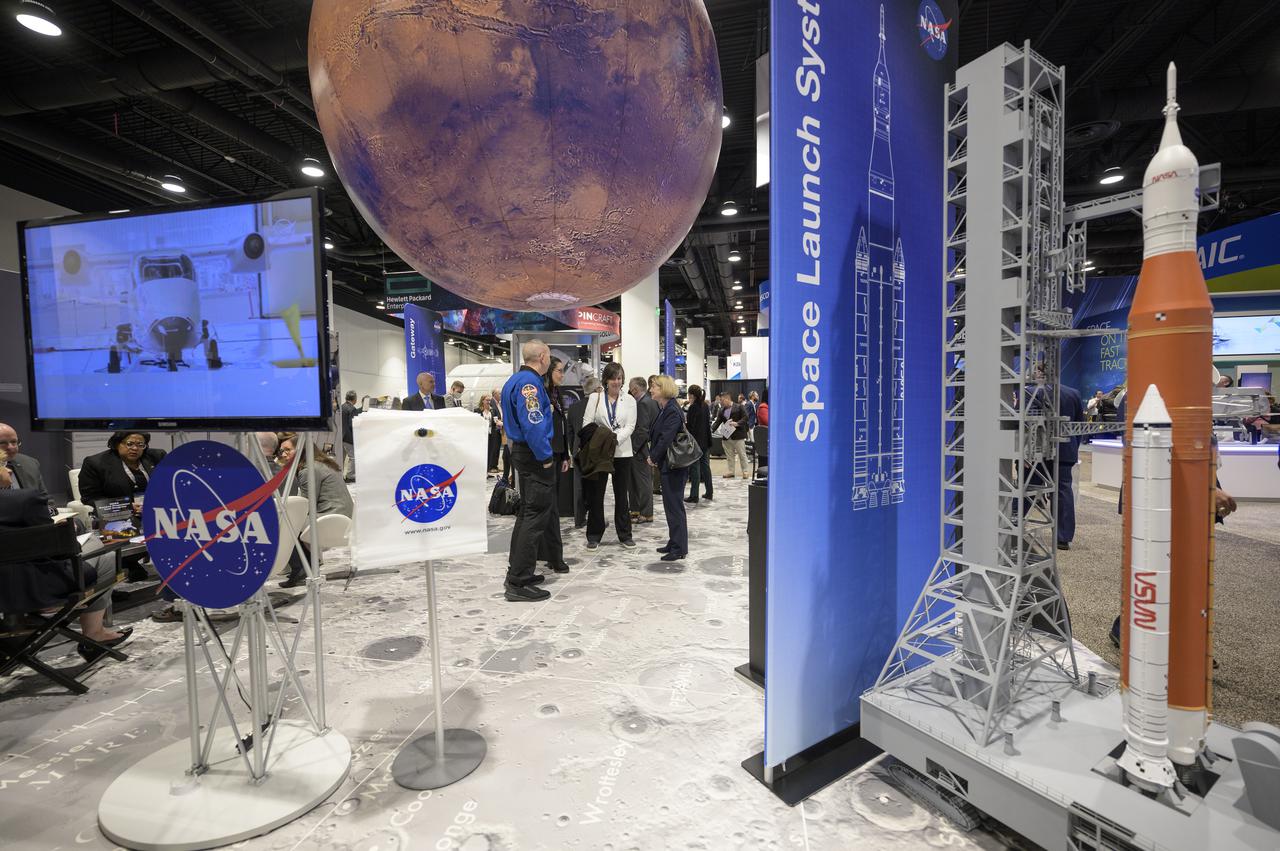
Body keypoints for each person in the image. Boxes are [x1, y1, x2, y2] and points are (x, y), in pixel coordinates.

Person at [0, 481, 132, 661]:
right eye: (4, 465)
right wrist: (68, 531)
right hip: (38, 588)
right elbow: (57, 549)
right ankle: (93, 634)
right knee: (103, 553)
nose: (8, 470)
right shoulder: (25, 499)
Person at [501, 340, 564, 602]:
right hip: (534, 455)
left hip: (522, 453)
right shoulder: (530, 385)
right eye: (549, 356)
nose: (550, 361)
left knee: (527, 514)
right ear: (541, 356)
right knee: (535, 516)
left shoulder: (513, 381)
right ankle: (519, 581)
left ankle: (517, 571)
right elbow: (534, 424)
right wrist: (546, 457)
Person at [276, 434, 353, 588]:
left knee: (287, 522)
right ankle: (308, 564)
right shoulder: (320, 463)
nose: (283, 454)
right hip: (341, 513)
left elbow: (304, 505)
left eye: (287, 450)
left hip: (332, 515)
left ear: (301, 450)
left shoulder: (308, 470)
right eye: (281, 451)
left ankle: (301, 568)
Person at [582, 362, 637, 550]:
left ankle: (625, 534)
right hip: (600, 453)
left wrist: (613, 440)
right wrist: (603, 439)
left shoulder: (630, 400)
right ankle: (594, 534)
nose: (617, 381)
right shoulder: (595, 398)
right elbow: (587, 424)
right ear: (606, 380)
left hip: (622, 452)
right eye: (613, 378)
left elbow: (630, 426)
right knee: (596, 494)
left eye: (620, 378)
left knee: (622, 495)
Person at [536, 357, 573, 574]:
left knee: (552, 507)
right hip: (546, 457)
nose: (562, 374)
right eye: (559, 371)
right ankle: (551, 554)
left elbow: (562, 426)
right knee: (547, 508)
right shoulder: (542, 392)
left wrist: (565, 455)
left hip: (557, 455)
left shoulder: (557, 393)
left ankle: (549, 553)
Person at [648, 375, 690, 562]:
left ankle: (679, 547)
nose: (651, 390)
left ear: (663, 389)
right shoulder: (666, 408)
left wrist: (653, 456)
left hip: (674, 465)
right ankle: (674, 542)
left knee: (674, 506)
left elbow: (665, 438)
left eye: (654, 387)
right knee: (670, 505)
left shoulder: (671, 409)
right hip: (669, 465)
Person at [78, 432, 166, 507]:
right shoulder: (95, 463)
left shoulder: (158, 457)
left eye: (140, 445)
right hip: (119, 515)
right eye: (129, 444)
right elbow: (90, 498)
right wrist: (126, 506)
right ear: (117, 444)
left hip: (157, 510)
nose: (135, 448)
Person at [567, 376, 600, 529]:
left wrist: (573, 450)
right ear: (597, 390)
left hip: (578, 452)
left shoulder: (573, 408)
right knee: (595, 487)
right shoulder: (599, 406)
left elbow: (570, 432)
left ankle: (579, 520)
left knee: (578, 487)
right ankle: (595, 519)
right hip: (595, 453)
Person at [628, 376, 659, 524]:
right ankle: (636, 511)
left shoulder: (643, 404)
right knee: (638, 481)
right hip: (645, 448)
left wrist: (633, 449)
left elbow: (642, 430)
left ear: (635, 389)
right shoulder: (650, 401)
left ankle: (646, 513)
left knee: (643, 482)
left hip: (640, 450)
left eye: (630, 387)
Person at [1057, 384, 1084, 551]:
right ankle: (1063, 537)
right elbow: (1079, 426)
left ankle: (1013, 528)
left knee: (1027, 491)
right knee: (1063, 491)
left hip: (1036, 453)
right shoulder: (1073, 393)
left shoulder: (1030, 392)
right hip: (1066, 450)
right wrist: (1074, 446)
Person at [0, 422, 47, 502]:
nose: (11, 447)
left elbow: (47, 501)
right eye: (2, 443)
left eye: (14, 442)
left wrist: (48, 511)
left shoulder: (30, 463)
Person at [683, 385, 714, 504]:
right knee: (706, 467)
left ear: (691, 395)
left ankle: (694, 495)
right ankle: (709, 492)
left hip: (695, 442)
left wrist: (684, 425)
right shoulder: (705, 406)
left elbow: (691, 426)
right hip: (705, 441)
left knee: (695, 468)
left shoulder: (693, 408)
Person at [715, 394, 750, 479]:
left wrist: (737, 423)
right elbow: (717, 422)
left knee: (742, 454)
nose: (721, 402)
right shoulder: (721, 410)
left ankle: (745, 472)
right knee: (729, 455)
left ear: (727, 399)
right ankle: (731, 471)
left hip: (738, 436)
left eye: (722, 400)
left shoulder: (739, 407)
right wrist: (710, 430)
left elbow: (746, 417)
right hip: (727, 436)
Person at [340, 390, 361, 481]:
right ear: (355, 399)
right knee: (353, 457)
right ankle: (350, 476)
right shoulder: (352, 409)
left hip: (340, 436)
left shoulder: (341, 407)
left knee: (341, 458)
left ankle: (339, 476)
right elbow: (352, 424)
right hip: (349, 437)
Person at [484, 388, 504, 475]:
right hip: (494, 428)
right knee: (494, 448)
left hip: (499, 428)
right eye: (499, 393)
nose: (501, 395)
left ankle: (494, 465)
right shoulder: (491, 402)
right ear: (494, 394)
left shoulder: (499, 403)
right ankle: (491, 466)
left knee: (497, 448)